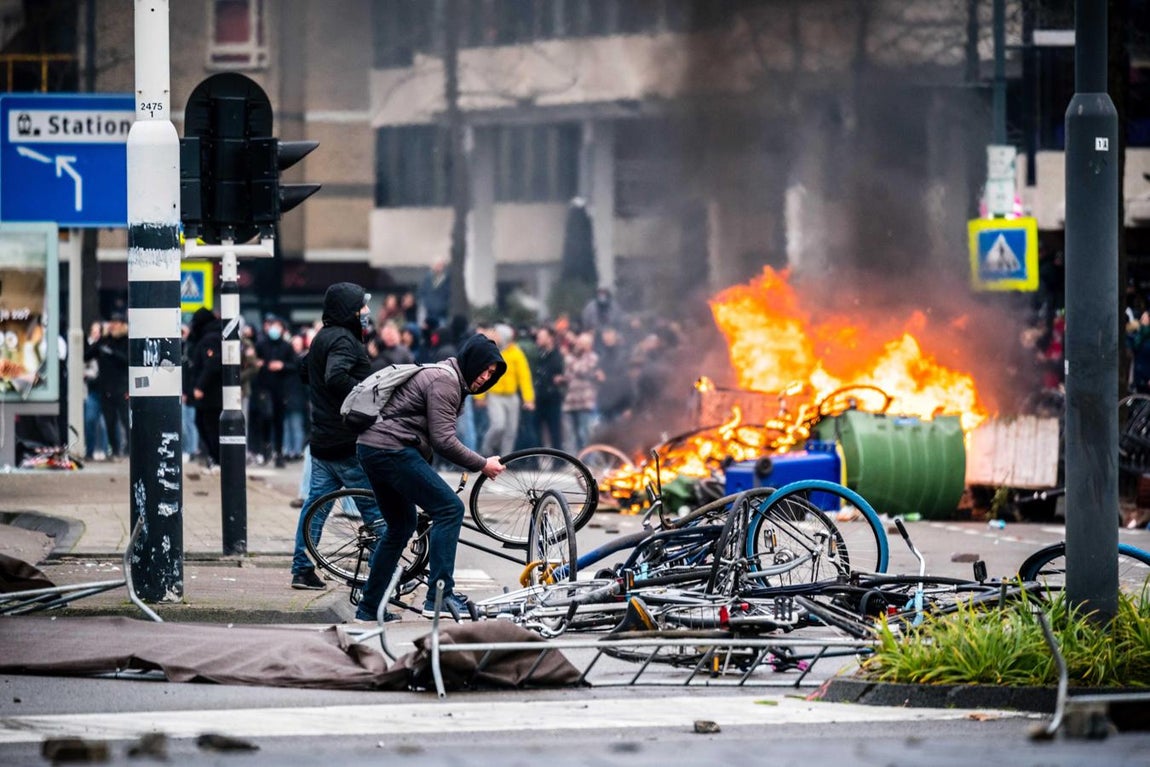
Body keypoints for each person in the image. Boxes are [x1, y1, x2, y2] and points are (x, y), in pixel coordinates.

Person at [354, 333, 507, 621]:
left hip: (373, 447)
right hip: (391, 449)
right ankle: (439, 597)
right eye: (484, 370)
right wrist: (482, 464)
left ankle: (369, 607)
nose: (485, 378)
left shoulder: (447, 377)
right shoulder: (445, 381)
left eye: (491, 374)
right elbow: (443, 440)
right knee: (449, 509)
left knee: (401, 526)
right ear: (471, 361)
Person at [290, 283, 382, 591]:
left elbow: (305, 371)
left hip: (323, 441)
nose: (366, 312)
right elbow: (336, 376)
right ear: (348, 310)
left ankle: (302, 569)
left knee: (316, 508)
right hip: (347, 442)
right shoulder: (344, 339)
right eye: (361, 307)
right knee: (377, 510)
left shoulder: (323, 337)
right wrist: (368, 392)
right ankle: (381, 579)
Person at [478, 323, 534, 456]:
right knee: (498, 425)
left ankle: (505, 458)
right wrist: (479, 396)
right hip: (494, 395)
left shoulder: (516, 353)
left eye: (497, 334)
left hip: (512, 397)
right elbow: (483, 373)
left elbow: (524, 377)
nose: (494, 336)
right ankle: (486, 450)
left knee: (511, 431)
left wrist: (528, 399)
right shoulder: (491, 351)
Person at [188, 308, 223, 467]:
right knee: (204, 424)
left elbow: (211, 365)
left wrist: (199, 387)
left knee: (209, 426)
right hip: (211, 393)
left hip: (211, 394)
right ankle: (214, 458)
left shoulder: (210, 339)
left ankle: (217, 459)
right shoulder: (212, 336)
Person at [531, 325, 565, 449]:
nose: (538, 339)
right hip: (539, 398)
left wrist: (562, 379)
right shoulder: (538, 355)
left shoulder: (558, 356)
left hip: (553, 398)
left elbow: (565, 375)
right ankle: (538, 456)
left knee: (555, 431)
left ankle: (558, 457)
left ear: (550, 338)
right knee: (536, 431)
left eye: (541, 336)